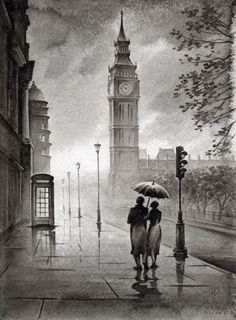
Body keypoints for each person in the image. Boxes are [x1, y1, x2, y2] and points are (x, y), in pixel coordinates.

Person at [127, 196, 148, 270]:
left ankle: (138, 265)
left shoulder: (132, 210)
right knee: (144, 246)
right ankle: (144, 261)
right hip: (143, 229)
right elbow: (145, 221)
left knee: (135, 247)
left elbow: (128, 221)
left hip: (135, 229)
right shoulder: (146, 209)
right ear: (143, 202)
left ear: (136, 201)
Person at [144, 200, 162, 268]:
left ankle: (150, 262)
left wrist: (146, 213)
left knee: (149, 245)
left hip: (152, 228)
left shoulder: (151, 212)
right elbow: (159, 220)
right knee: (156, 245)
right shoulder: (159, 212)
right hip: (158, 228)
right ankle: (154, 262)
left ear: (152, 206)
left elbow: (145, 218)